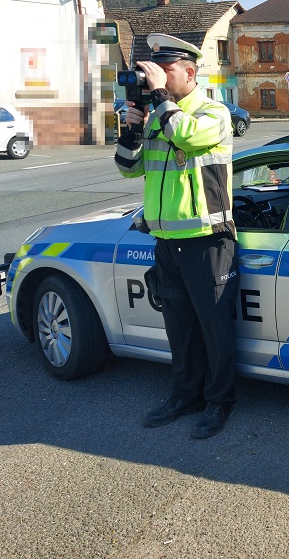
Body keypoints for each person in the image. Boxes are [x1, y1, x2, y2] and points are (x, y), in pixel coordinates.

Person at [114, 33, 238, 439]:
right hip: (167, 242)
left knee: (214, 329)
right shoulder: (158, 116)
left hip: (208, 239)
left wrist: (161, 98)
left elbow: (186, 136)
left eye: (164, 72)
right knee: (179, 328)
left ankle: (219, 401)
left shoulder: (212, 113)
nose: (154, 80)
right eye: (153, 72)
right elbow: (128, 170)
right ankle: (186, 394)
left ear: (190, 71)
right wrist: (132, 131)